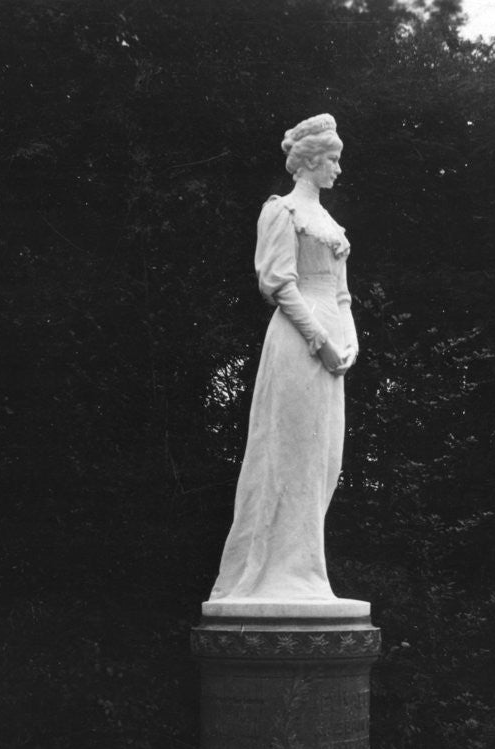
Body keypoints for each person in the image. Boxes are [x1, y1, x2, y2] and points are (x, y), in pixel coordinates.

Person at [209, 114, 358, 602]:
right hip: (298, 340)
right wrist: (321, 339)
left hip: (333, 344)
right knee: (291, 449)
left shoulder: (331, 224)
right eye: (332, 159)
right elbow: (278, 284)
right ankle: (278, 575)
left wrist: (349, 341)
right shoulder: (282, 212)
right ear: (310, 161)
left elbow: (342, 294)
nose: (338, 168)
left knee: (324, 456)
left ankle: (308, 571)